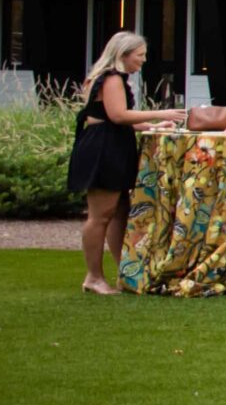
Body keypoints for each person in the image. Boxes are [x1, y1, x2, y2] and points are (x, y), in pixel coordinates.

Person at [68, 31, 185, 294]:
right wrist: (162, 112)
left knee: (119, 210)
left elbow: (112, 117)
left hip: (112, 144)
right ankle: (94, 277)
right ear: (123, 55)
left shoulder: (112, 78)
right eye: (140, 55)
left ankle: (126, 273)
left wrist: (153, 125)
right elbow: (118, 115)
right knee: (100, 215)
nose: (143, 61)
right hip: (103, 149)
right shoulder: (111, 78)